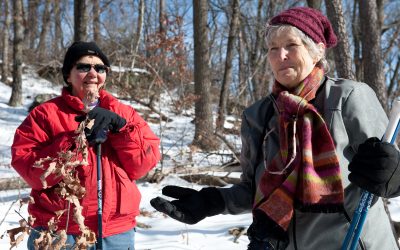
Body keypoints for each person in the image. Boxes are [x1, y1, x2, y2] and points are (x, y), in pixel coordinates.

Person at [150, 7, 400, 249]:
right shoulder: (258, 116)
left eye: (291, 45)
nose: (281, 55)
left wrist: (393, 174)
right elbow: (252, 189)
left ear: (317, 51)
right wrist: (210, 202)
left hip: (352, 243)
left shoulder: (347, 97)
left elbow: (390, 170)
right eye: (273, 48)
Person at [11, 41, 161, 249]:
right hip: (60, 232)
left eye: (100, 68)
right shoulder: (44, 114)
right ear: (68, 75)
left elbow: (143, 165)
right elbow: (30, 170)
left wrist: (121, 129)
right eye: (83, 67)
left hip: (116, 233)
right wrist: (74, 141)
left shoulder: (124, 112)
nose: (93, 73)